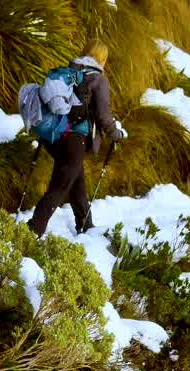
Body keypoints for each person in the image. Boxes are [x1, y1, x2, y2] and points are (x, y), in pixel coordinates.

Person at [28, 39, 127, 237]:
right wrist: (115, 134)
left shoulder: (70, 73)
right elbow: (103, 115)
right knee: (60, 186)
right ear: (102, 59)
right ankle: (32, 230)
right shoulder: (98, 79)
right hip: (75, 140)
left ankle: (86, 227)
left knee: (76, 183)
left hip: (55, 135)